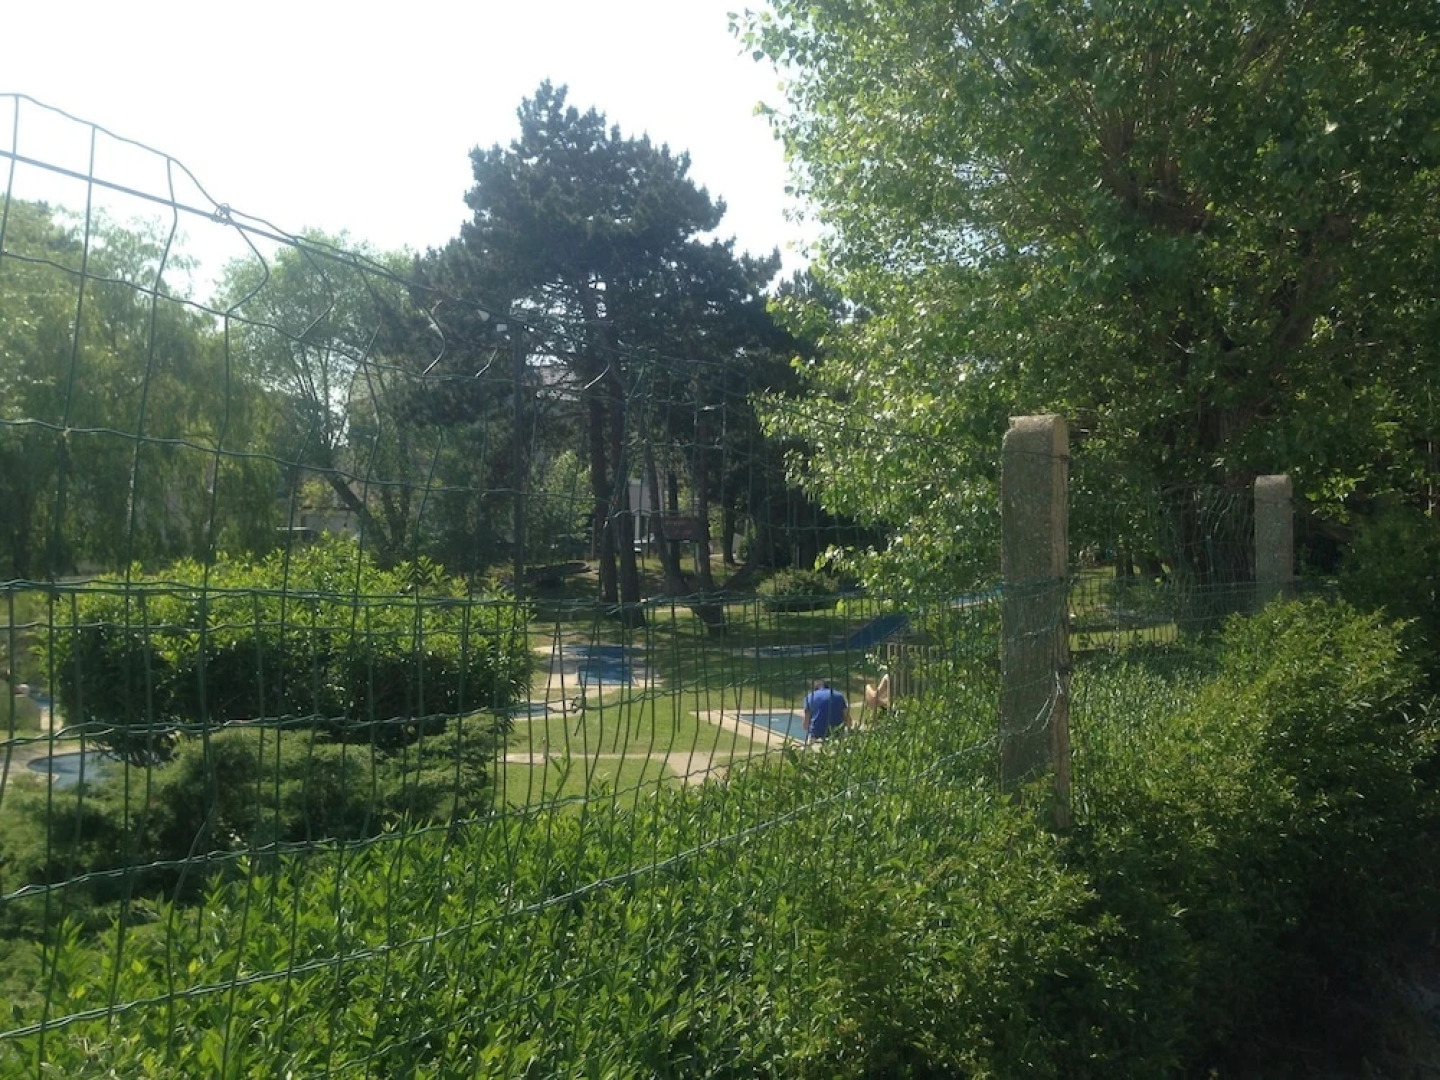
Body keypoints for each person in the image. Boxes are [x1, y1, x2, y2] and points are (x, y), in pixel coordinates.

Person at [802, 678, 849, 743]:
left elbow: (806, 724)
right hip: (837, 731)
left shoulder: (809, 697)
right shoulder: (839, 695)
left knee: (809, 743)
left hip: (816, 732)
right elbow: (847, 719)